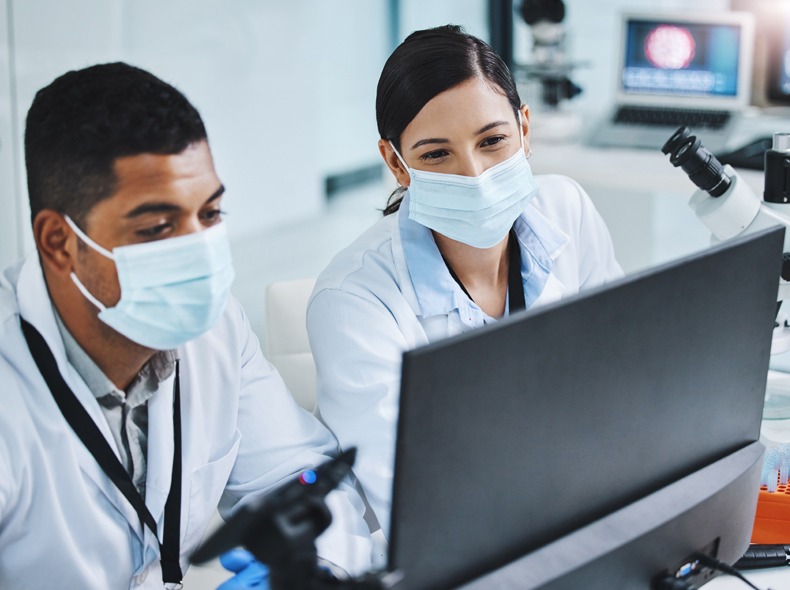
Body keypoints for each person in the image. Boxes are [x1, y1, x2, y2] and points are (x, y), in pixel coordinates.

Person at [0, 63, 372, 590]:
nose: (197, 250)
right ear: (60, 243)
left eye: (211, 213)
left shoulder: (215, 328)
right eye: (157, 227)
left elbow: (299, 478)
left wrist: (307, 567)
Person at [306, 25, 623, 539]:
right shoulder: (353, 301)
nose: (474, 175)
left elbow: (623, 373)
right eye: (436, 154)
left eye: (493, 140)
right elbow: (418, 504)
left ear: (525, 128)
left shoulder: (567, 208)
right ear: (396, 163)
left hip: (576, 501)